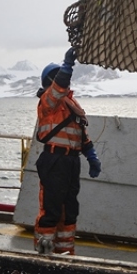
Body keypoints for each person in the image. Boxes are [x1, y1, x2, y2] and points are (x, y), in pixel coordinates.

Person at [34, 47, 101, 255]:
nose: (60, 80)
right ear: (49, 82)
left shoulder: (72, 104)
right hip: (54, 160)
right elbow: (59, 86)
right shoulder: (48, 102)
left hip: (71, 163)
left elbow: (81, 134)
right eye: (55, 78)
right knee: (51, 210)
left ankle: (65, 253)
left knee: (69, 211)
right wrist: (67, 65)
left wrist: (91, 157)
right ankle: (43, 252)